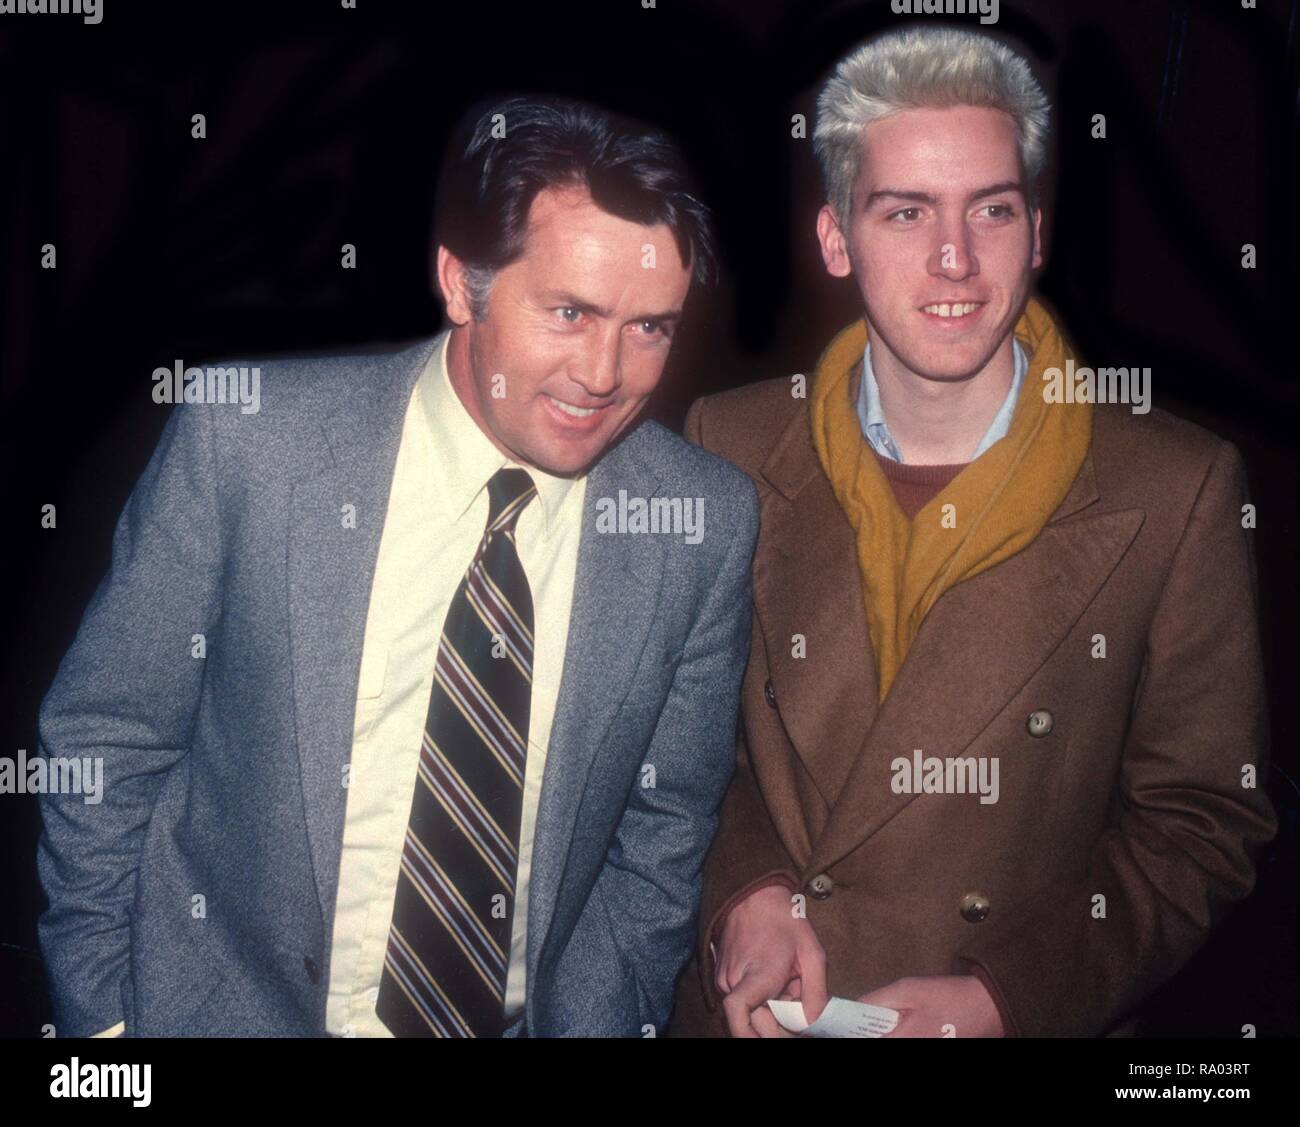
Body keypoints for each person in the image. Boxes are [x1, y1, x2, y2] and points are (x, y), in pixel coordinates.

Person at [36, 95, 758, 1038]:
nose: (604, 372)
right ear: (462, 283)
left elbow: (663, 831)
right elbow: (105, 738)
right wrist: (105, 1029)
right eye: (571, 311)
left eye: (650, 327)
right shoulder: (249, 440)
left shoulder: (700, 522)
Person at [670, 25, 1276, 1038]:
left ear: (1036, 232)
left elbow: (1204, 818)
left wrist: (1011, 992)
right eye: (904, 212)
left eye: (989, 209)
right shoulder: (727, 441)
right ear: (835, 238)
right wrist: (745, 889)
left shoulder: (1176, 488)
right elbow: (679, 740)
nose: (954, 258)